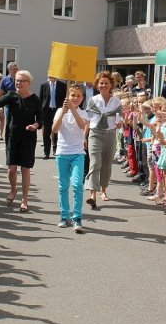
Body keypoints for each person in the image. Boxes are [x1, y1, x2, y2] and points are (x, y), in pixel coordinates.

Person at [0, 70, 42, 212]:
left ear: (28, 83)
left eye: (22, 80)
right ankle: (13, 189)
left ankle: (24, 199)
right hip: (12, 136)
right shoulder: (11, 95)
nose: (19, 83)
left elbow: (40, 119)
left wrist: (34, 126)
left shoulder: (35, 99)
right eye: (17, 80)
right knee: (11, 169)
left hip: (28, 137)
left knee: (25, 169)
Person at [52, 83, 89, 233]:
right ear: (68, 96)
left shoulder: (84, 113)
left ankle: (77, 218)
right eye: (72, 95)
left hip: (78, 153)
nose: (75, 98)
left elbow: (82, 125)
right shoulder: (60, 110)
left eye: (78, 96)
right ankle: (63, 216)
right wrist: (63, 112)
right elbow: (54, 130)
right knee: (63, 186)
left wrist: (73, 110)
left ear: (82, 98)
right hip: (62, 153)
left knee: (77, 185)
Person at [84, 71, 122, 207]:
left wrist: (119, 123)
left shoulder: (116, 101)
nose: (103, 85)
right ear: (97, 85)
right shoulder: (93, 100)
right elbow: (87, 120)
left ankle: (103, 190)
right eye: (101, 83)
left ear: (111, 85)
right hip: (95, 133)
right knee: (95, 162)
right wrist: (84, 137)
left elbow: (120, 117)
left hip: (110, 134)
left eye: (106, 83)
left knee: (106, 164)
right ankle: (92, 195)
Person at [39, 74, 66, 159]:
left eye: (53, 75)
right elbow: (41, 99)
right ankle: (46, 152)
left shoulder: (62, 85)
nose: (52, 77)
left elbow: (65, 98)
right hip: (47, 111)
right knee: (46, 132)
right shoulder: (44, 85)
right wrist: (39, 112)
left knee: (57, 131)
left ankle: (56, 149)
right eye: (50, 75)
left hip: (57, 111)